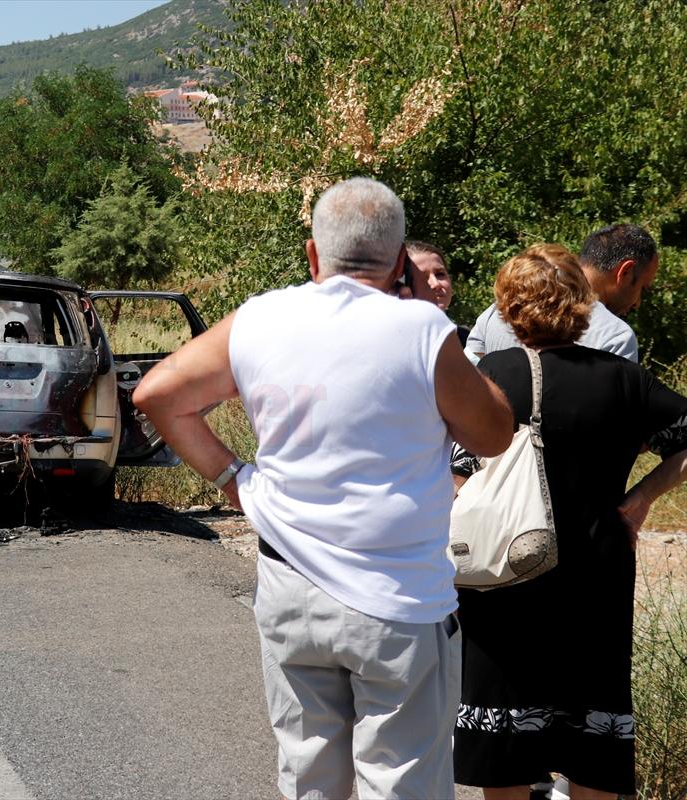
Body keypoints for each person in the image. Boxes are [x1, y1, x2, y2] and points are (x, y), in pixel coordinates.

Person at [133, 177, 514, 799]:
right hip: (397, 597)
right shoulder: (420, 328)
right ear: (399, 262)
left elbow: (157, 395)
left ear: (314, 254)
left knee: (309, 775)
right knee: (402, 780)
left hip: (289, 585)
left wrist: (235, 479)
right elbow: (494, 433)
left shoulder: (259, 317)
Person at [450, 244, 687, 800]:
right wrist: (640, 500)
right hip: (598, 567)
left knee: (507, 740)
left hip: (507, 567)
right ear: (581, 304)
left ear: (509, 308)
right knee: (592, 733)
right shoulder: (625, 379)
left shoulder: (495, 373)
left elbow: (456, 468)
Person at [464, 223, 658, 363]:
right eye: (642, 288)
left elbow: (467, 378)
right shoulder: (616, 337)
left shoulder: (499, 310)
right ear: (625, 271)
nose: (638, 302)